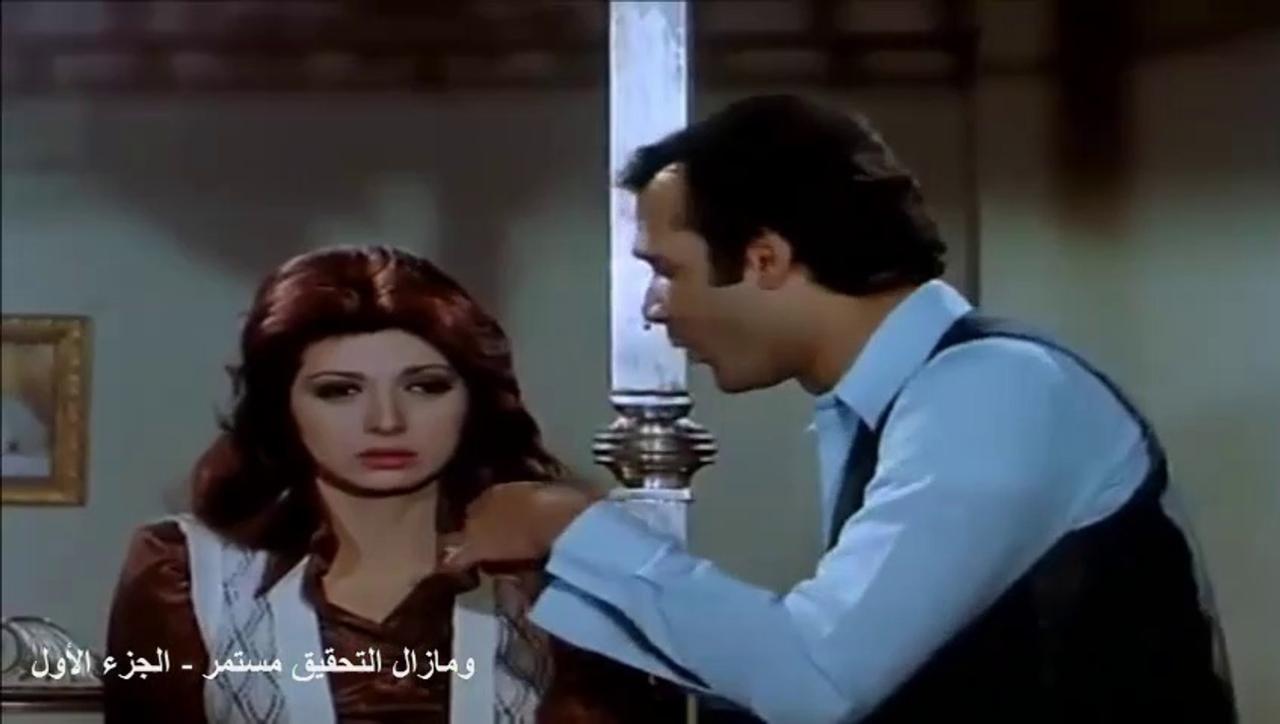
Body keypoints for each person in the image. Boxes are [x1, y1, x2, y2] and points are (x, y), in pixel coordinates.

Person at [442, 95, 1238, 723]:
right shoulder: (894, 403)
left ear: (765, 257)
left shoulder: (996, 390)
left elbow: (816, 682)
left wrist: (574, 526)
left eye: (668, 270)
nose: (654, 308)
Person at [104, 246, 685, 723]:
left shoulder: (553, 571)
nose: (386, 421)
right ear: (283, 407)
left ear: (472, 399)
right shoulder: (187, 570)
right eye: (340, 391)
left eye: (425, 386)